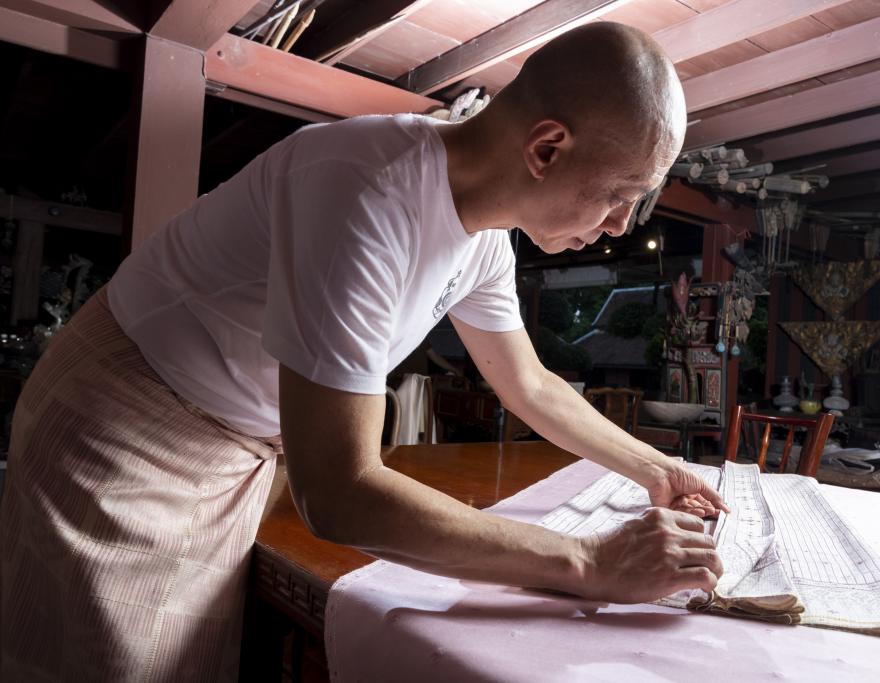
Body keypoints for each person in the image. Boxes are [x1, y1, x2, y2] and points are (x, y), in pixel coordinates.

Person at [0, 22, 726, 681]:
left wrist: (658, 469)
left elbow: (528, 383)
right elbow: (341, 491)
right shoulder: (366, 189)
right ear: (546, 148)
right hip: (125, 426)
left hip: (240, 450)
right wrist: (591, 562)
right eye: (621, 194)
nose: (619, 225)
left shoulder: (486, 242)